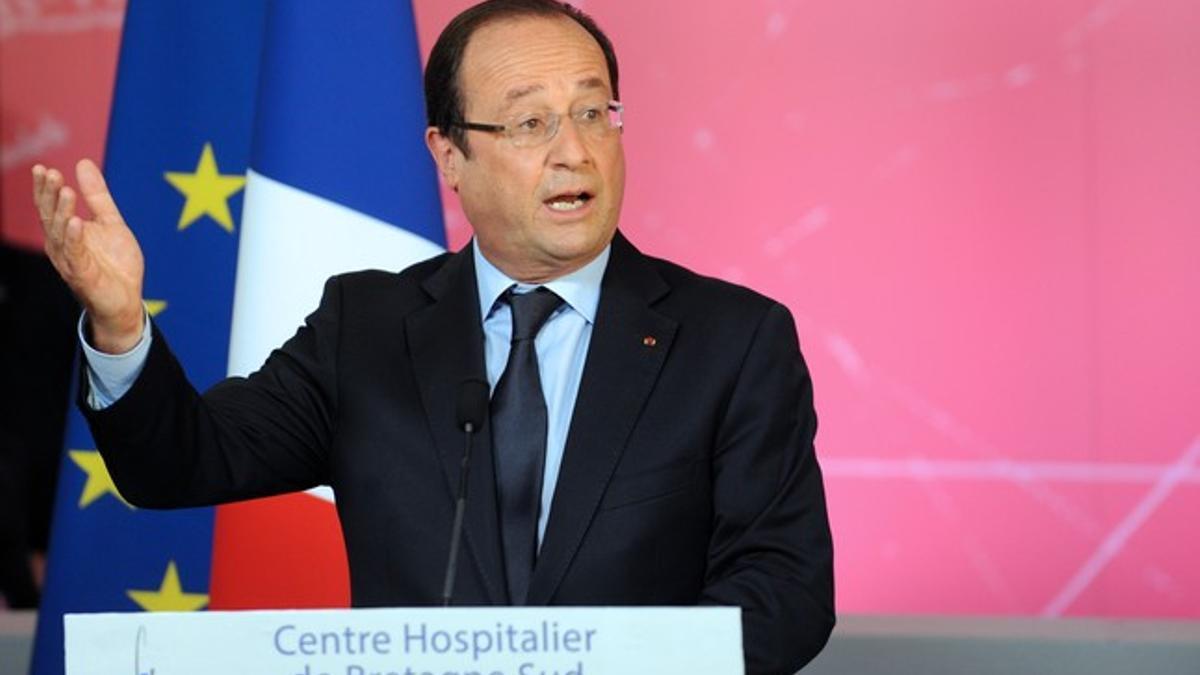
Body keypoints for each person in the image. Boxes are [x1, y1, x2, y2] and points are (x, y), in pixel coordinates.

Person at [31, 1, 834, 672]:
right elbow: (181, 461)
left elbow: (785, 591)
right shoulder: (367, 329)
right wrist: (120, 322)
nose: (574, 149)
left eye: (594, 111)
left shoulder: (734, 340)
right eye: (530, 122)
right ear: (449, 156)